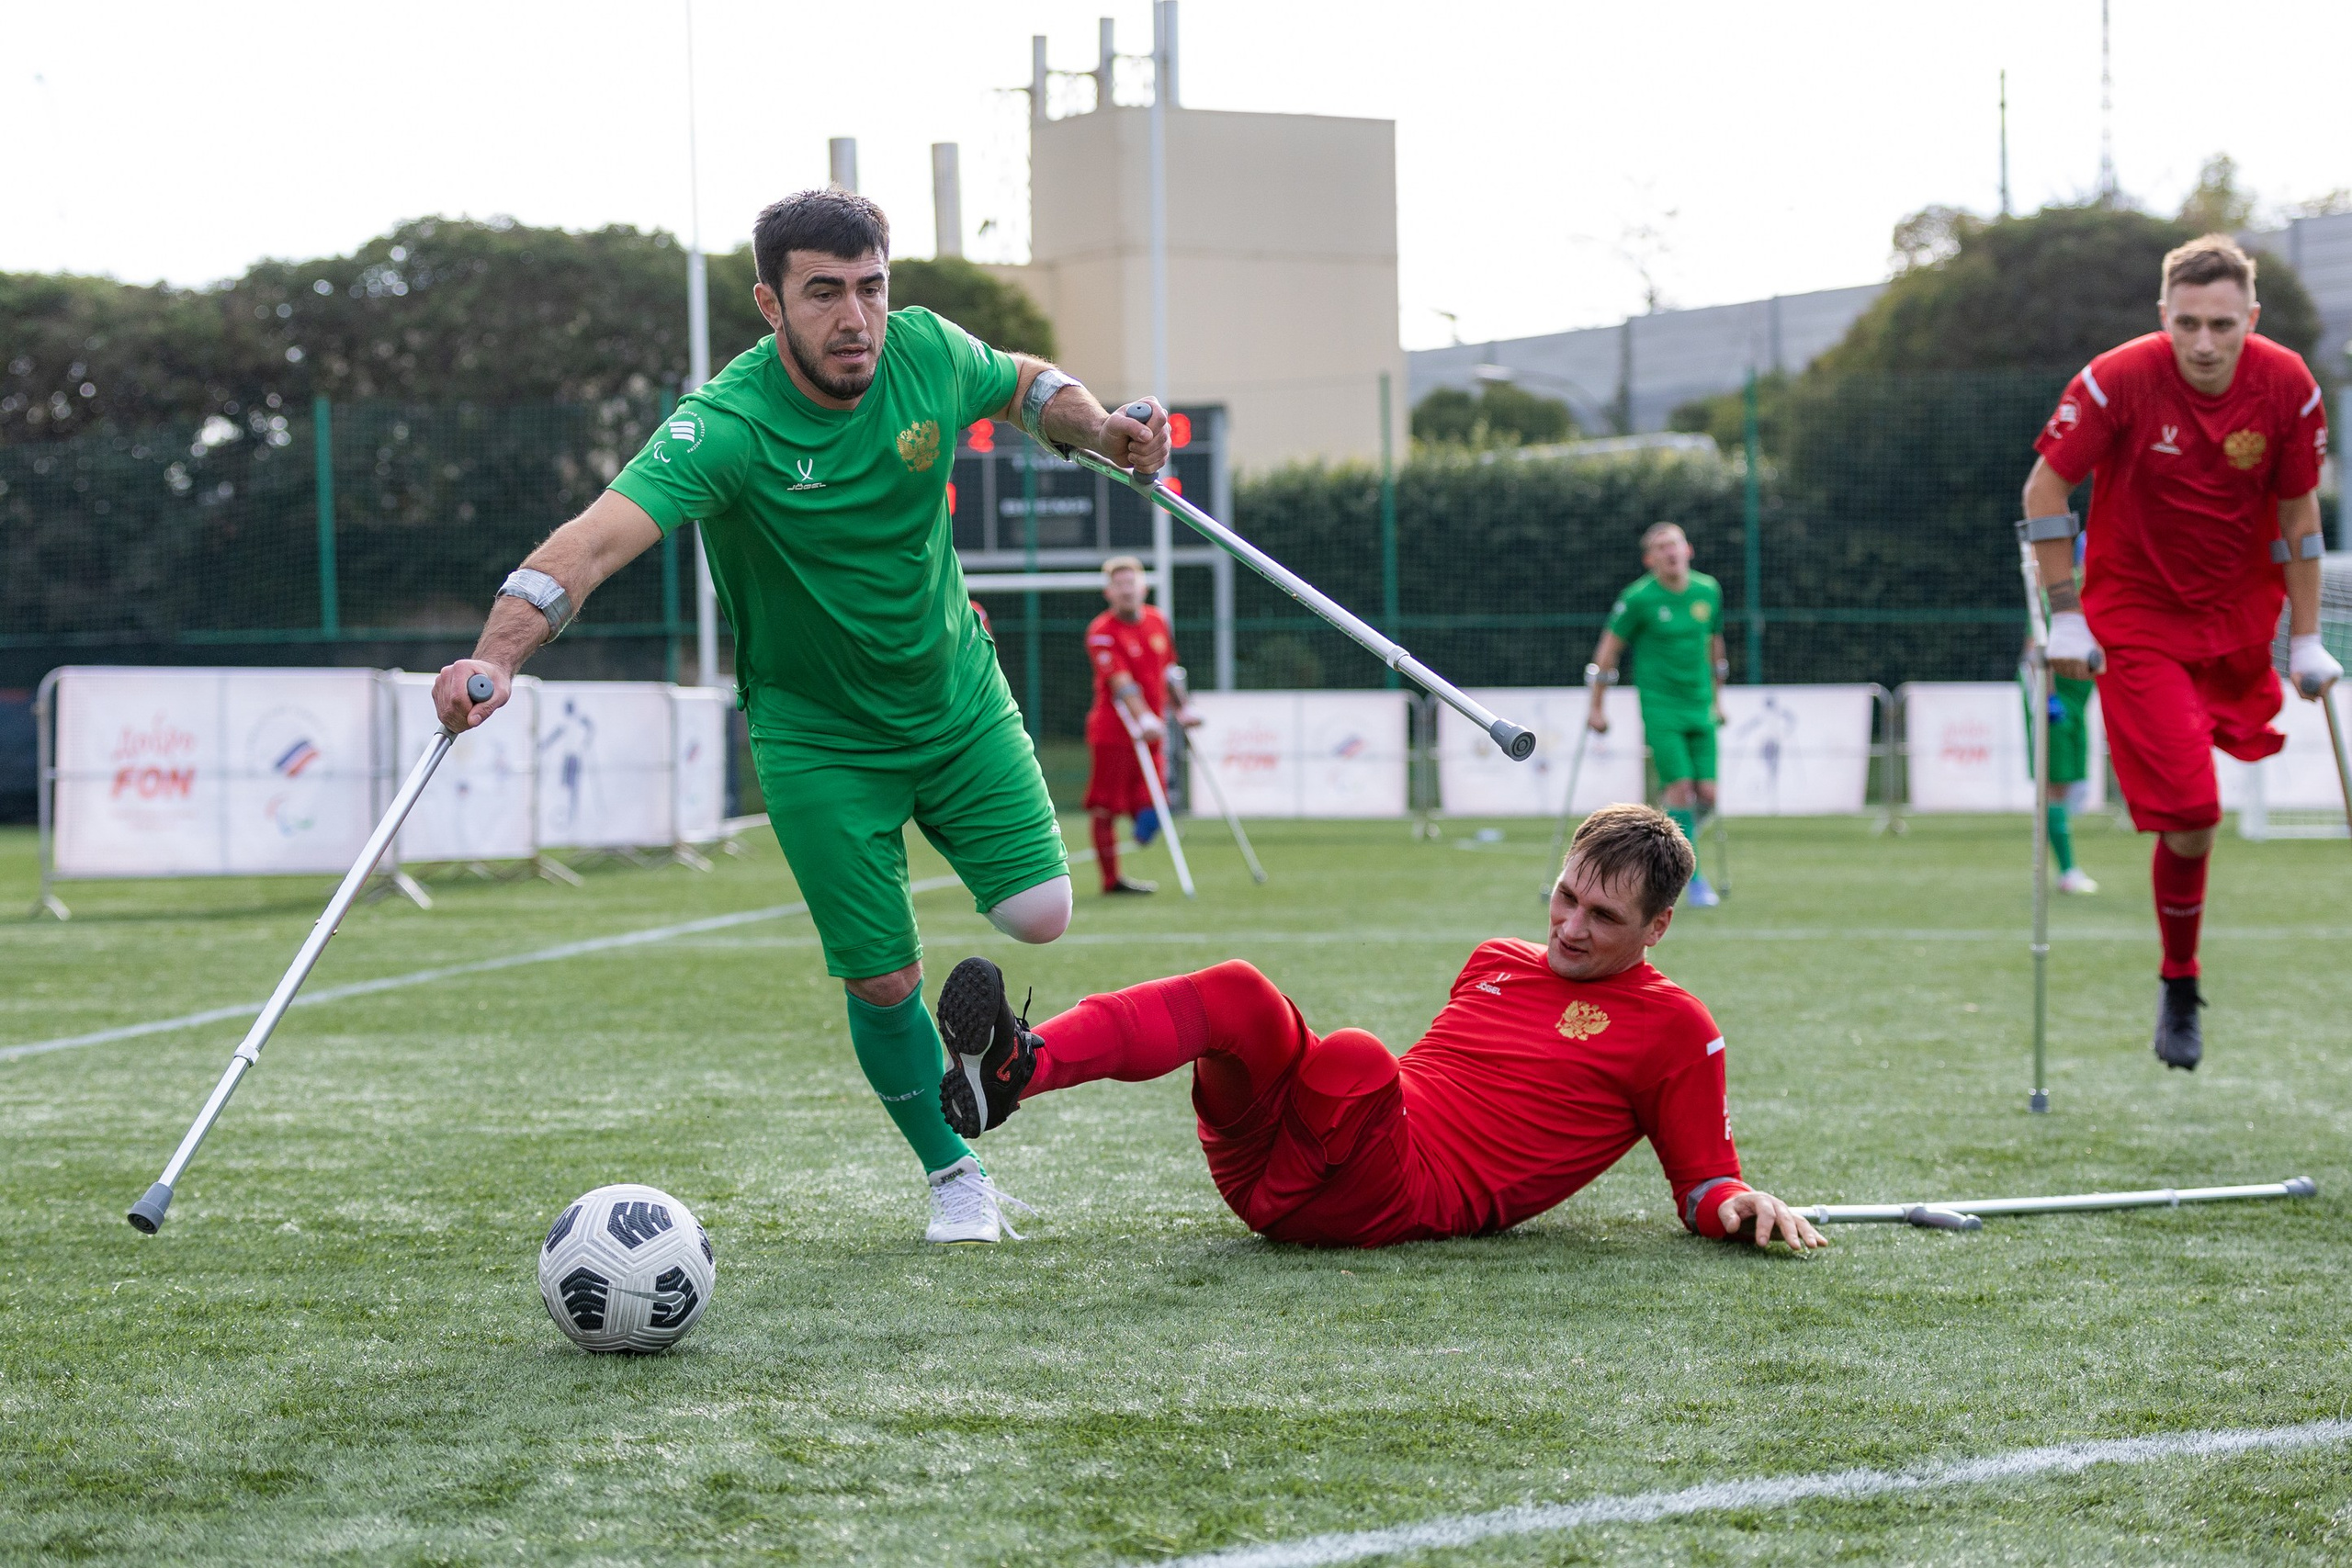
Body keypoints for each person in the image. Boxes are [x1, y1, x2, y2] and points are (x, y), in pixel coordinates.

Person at [432, 189, 1170, 1243]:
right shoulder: (725, 427)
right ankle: (954, 1176)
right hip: (819, 736)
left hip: (957, 698)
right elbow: (589, 543)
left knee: (1040, 915)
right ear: (770, 305)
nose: (854, 318)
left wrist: (1099, 428)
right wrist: (495, 655)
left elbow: (1022, 384)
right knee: (884, 979)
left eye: (870, 288)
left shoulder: (926, 352)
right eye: (823, 294)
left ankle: (994, 1060)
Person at [932, 804, 1827, 1254]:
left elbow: (1704, 1178)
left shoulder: (1676, 1029)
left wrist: (1735, 1205)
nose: (1568, 925)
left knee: (1359, 1057)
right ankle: (1017, 1065)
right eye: (1564, 895)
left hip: (1384, 1197)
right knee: (1240, 991)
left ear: (1657, 930)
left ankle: (1288, 1187)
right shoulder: (1493, 958)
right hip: (1306, 1148)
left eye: (1602, 917)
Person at [2023, 232, 2336, 1070]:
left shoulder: (2289, 386)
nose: (2204, 343)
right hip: (2138, 621)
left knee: (2201, 811)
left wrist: (2305, 637)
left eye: (2223, 325)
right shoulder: (2118, 378)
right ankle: (2180, 980)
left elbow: (2300, 518)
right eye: (2188, 323)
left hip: (2240, 621)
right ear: (2164, 316)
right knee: (2194, 810)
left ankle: (2179, 971)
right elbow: (2045, 488)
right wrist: (2067, 615)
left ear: (2252, 319)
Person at [1587, 522, 1728, 907]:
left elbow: (1715, 646)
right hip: (1662, 708)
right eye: (1661, 548)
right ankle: (1692, 879)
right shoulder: (1638, 598)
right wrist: (1596, 706)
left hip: (1700, 706)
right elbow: (1608, 649)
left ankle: (1662, 842)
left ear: (1689, 550)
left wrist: (1718, 699)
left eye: (1675, 545)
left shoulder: (1708, 590)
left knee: (1708, 794)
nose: (1671, 553)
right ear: (1650, 560)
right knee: (1681, 789)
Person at [1082, 555, 1196, 896]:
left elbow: (1169, 671)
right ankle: (1110, 880)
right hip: (1114, 733)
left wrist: (1182, 708)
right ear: (1109, 592)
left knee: (1154, 806)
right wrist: (1142, 715)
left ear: (1143, 587)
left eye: (1131, 583)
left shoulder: (1158, 621)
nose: (1126, 591)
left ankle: (1138, 836)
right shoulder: (1101, 631)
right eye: (1119, 585)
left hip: (1153, 732)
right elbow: (1120, 681)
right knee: (1105, 806)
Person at [2021, 534, 2099, 897]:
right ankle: (2067, 871)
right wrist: (2047, 699)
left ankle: (2064, 864)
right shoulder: (2067, 595)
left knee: (2067, 788)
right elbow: (2038, 648)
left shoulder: (2099, 591)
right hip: (2056, 701)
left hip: (2077, 701)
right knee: (2055, 787)